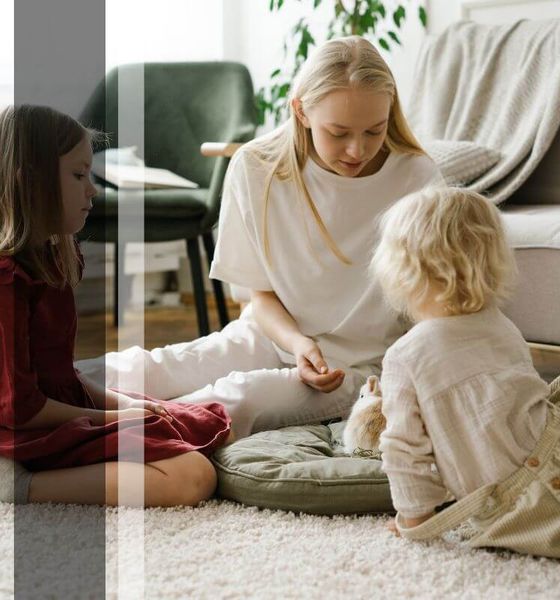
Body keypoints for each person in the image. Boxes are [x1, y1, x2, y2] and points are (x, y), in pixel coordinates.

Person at [77, 36, 443, 444]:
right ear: (301, 111)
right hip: (272, 335)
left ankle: (82, 442)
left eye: (374, 131)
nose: (357, 150)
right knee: (158, 367)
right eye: (338, 133)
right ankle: (31, 396)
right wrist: (298, 343)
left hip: (359, 367)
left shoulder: (417, 178)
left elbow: (432, 306)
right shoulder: (256, 168)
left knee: (238, 399)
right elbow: (258, 298)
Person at [0, 104, 232, 507]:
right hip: (23, 430)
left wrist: (127, 405)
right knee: (190, 476)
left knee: (195, 420)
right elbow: (20, 409)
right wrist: (112, 419)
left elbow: (60, 376)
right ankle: (15, 486)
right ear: (30, 182)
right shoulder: (7, 281)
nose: (92, 189)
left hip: (54, 414)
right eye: (78, 175)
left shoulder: (50, 256)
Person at [371, 186, 560, 559]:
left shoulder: (404, 356)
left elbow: (404, 450)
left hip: (518, 504)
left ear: (402, 271)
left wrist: (415, 521)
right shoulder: (500, 324)